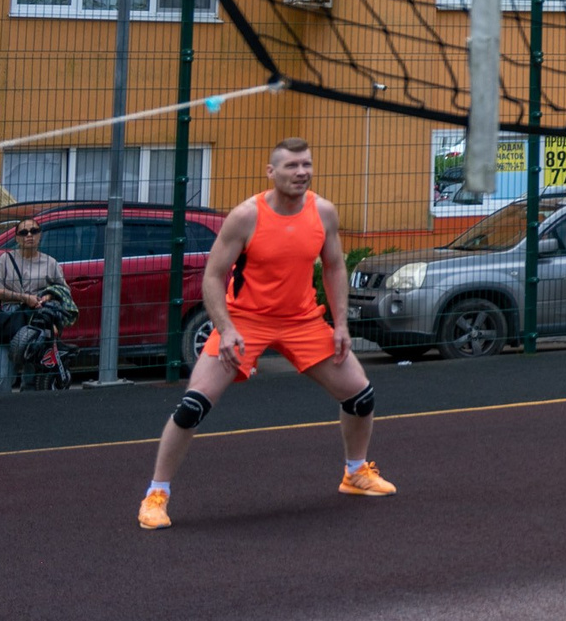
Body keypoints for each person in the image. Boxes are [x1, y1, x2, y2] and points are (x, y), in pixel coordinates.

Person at [137, 139, 393, 529]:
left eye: (306, 164)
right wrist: (225, 328)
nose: (301, 172)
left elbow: (335, 267)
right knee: (192, 407)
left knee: (361, 397)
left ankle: (355, 473)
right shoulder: (245, 216)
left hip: (302, 320)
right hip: (246, 320)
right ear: (271, 172)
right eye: (291, 166)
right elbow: (213, 276)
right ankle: (157, 494)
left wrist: (341, 324)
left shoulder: (323, 212)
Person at [0, 219, 66, 393]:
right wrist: (24, 298)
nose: (29, 235)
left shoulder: (50, 263)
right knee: (3, 375)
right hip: (10, 318)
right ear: (16, 238)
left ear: (40, 235)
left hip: (37, 319)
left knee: (32, 376)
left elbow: (62, 290)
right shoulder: (5, 260)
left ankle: (26, 412)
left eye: (34, 231)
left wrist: (45, 297)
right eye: (24, 232)